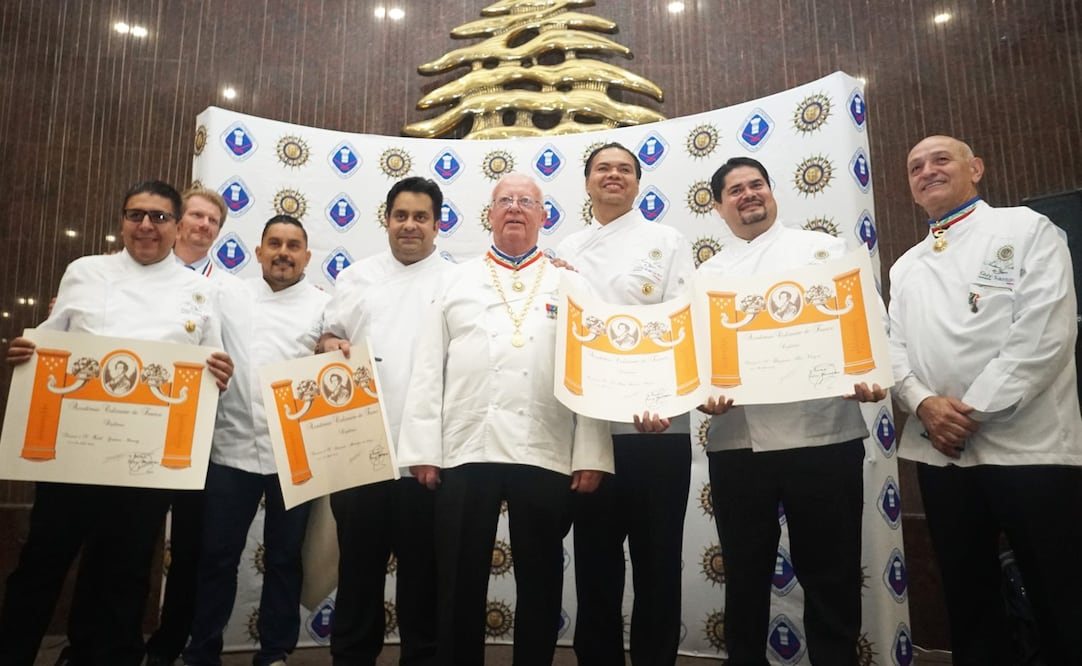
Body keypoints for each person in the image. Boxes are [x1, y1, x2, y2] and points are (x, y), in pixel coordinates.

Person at [0, 180, 232, 666]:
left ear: (176, 227)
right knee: (42, 561)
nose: (146, 225)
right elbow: (51, 340)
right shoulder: (85, 271)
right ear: (123, 221)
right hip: (73, 452)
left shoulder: (202, 290)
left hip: (145, 463)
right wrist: (27, 350)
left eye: (158, 217)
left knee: (125, 572)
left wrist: (219, 373)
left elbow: (210, 363)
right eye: (135, 215)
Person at [397, 173, 613, 666]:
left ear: (543, 216)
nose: (515, 208)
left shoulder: (572, 283)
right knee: (457, 576)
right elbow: (428, 368)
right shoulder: (453, 280)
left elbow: (591, 372)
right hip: (465, 445)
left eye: (527, 201)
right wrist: (424, 449)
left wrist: (591, 451)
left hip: (545, 446)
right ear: (490, 214)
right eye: (505, 201)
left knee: (541, 576)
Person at [888, 135, 1082, 665]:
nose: (927, 170)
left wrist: (969, 411)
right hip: (943, 455)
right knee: (968, 601)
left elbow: (1045, 333)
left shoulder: (1028, 229)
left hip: (1030, 449)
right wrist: (924, 404)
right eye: (915, 167)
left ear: (975, 168)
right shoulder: (905, 266)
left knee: (1060, 596)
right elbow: (893, 350)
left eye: (940, 160)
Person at [699, 156, 885, 666]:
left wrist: (869, 371)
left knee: (831, 573)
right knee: (744, 575)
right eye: (735, 190)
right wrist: (700, 394)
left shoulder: (824, 251)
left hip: (823, 436)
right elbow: (697, 358)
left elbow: (869, 322)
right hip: (739, 443)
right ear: (719, 207)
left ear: (772, 191)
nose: (748, 194)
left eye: (756, 184)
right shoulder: (709, 275)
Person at [555, 142, 693, 666]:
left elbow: (683, 323)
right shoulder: (566, 248)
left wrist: (665, 399)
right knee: (595, 562)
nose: (613, 175)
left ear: (638, 183)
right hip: (590, 433)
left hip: (659, 427)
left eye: (624, 169)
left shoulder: (668, 241)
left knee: (659, 561)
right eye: (602, 168)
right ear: (587, 182)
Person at [318, 177, 456, 666]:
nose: (410, 226)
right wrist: (329, 345)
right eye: (401, 216)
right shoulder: (356, 277)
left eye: (421, 217)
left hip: (427, 455)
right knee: (358, 573)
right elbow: (328, 339)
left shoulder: (458, 280)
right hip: (359, 451)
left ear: (437, 225)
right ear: (386, 220)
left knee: (425, 576)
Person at [182, 215, 329, 666]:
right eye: (275, 244)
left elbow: (340, 353)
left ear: (307, 256)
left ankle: (274, 652)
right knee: (217, 556)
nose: (283, 253)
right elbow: (176, 301)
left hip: (295, 454)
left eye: (293, 246)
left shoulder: (325, 305)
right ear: (259, 251)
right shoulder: (227, 293)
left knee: (285, 558)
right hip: (231, 447)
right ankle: (202, 650)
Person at [145, 187, 231, 666]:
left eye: (212, 221)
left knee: (191, 549)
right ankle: (101, 642)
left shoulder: (228, 289)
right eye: (196, 215)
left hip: (197, 438)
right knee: (126, 541)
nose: (203, 225)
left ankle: (169, 644)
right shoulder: (136, 272)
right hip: (135, 430)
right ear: (178, 221)